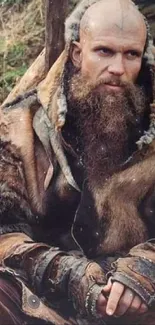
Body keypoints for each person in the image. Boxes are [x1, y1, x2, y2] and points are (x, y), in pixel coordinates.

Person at [0, 0, 155, 324]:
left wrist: (142, 272)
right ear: (76, 53)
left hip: (135, 304)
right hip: (42, 301)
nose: (118, 67)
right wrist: (69, 274)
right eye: (104, 51)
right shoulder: (21, 128)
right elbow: (4, 232)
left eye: (131, 55)